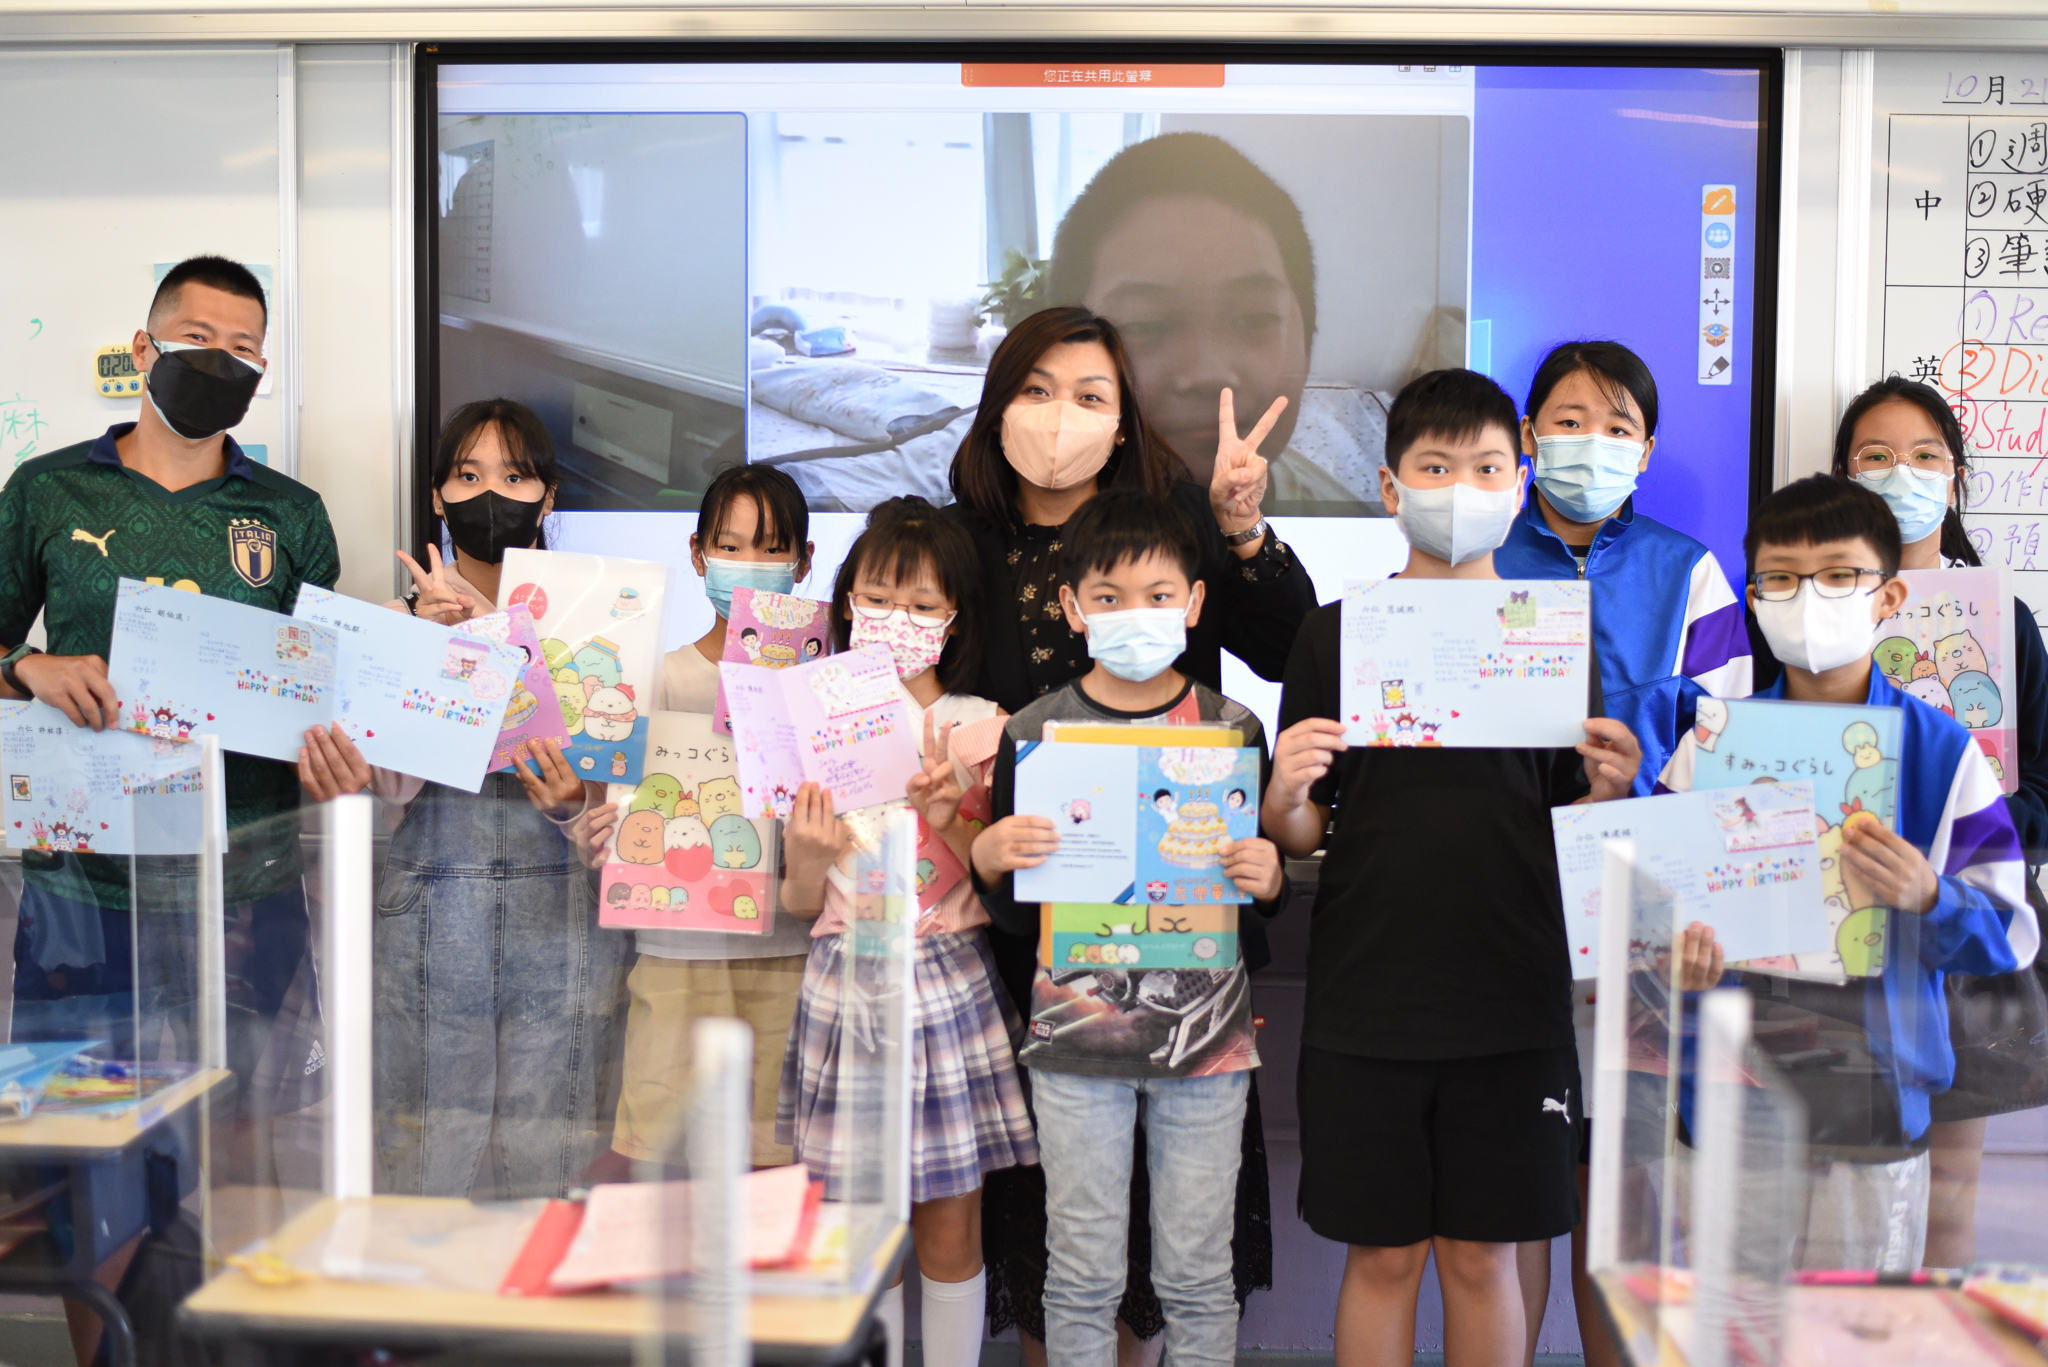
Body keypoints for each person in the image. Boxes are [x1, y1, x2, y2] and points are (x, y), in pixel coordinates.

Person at [947, 306, 1311, 1361]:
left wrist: (1239, 524)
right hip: (1049, 978)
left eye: (1090, 394)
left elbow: (1292, 643)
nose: (1060, 415)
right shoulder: (962, 548)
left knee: (1189, 1261)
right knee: (1069, 1256)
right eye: (1036, 389)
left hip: (1196, 994)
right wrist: (980, 843)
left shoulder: (1183, 542)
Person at [1260, 369, 1643, 1367]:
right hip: (1368, 999)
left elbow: (1573, 825)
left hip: (1513, 997)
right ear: (1391, 488)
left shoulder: (1552, 633)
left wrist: (1609, 793)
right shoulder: (1335, 631)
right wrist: (1285, 792)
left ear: (1518, 484)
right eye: (1434, 468)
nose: (1460, 488)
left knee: (1483, 1256)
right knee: (1382, 1257)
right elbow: (1299, 833)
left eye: (1484, 467)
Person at [0, 255, 340, 1362]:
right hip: (82, 893)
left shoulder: (290, 515)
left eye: (243, 349)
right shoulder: (47, 491)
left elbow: (325, 688)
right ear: (145, 348)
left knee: (233, 1151)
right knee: (89, 1161)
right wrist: (25, 667)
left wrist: (352, 741)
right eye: (198, 338)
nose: (220, 362)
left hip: (247, 884)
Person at [1658, 474, 2036, 1269]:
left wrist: (1930, 897)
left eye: (1838, 575)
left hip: (1875, 1097)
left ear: (1888, 595)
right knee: (1730, 1317)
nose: (1807, 598)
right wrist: (1674, 953)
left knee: (1858, 1316)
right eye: (1781, 578)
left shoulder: (1941, 752)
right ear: (1754, 597)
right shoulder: (1710, 747)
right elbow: (1653, 913)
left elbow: (2011, 933)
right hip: (1729, 1092)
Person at [296, 398, 631, 1199]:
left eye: (515, 477)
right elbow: (384, 788)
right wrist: (431, 648)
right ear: (438, 498)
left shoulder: (598, 623)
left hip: (562, 900)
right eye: (468, 475)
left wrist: (573, 801)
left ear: (548, 497)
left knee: (552, 1141)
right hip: (433, 898)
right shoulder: (393, 622)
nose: (491, 495)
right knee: (425, 1139)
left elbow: (617, 791)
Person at [1490, 341, 1751, 1365]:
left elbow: (1725, 744)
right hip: (1502, 915)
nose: (1588, 442)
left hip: (1637, 921)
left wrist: (1635, 793)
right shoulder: (1478, 560)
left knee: (1616, 1197)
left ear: (1645, 451)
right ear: (1527, 436)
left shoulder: (1688, 571)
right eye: (1566, 420)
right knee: (1513, 1195)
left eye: (1615, 426)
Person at [778, 497, 1037, 1367]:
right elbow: (797, 899)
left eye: (924, 604)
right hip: (846, 976)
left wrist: (956, 810)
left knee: (952, 1223)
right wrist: (808, 859)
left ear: (955, 616)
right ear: (847, 599)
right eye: (882, 599)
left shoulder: (983, 723)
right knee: (864, 1227)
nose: (899, 620)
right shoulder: (808, 719)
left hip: (947, 978)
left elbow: (1004, 883)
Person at [1823, 377, 2048, 1266]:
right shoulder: (1811, 612)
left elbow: (2045, 794)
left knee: (1947, 1201)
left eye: (1924, 456)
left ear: (1955, 477)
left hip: (1965, 932)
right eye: (1875, 456)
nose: (1901, 473)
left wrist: (1956, 827)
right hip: (1840, 933)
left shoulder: (2004, 623)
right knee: (1836, 1203)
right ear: (1843, 475)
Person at [573, 463, 819, 1174]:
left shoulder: (819, 690)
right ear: (698, 553)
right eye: (730, 545)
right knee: (661, 1167)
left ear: (804, 561)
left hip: (790, 957)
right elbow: (604, 818)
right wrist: (593, 834)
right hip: (676, 954)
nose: (750, 564)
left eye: (772, 548)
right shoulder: (653, 678)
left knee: (777, 1170)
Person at [1048, 132, 1386, 509]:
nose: (1210, 376)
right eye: (1144, 326)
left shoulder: (1346, 521)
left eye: (1255, 319)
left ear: (1306, 344)